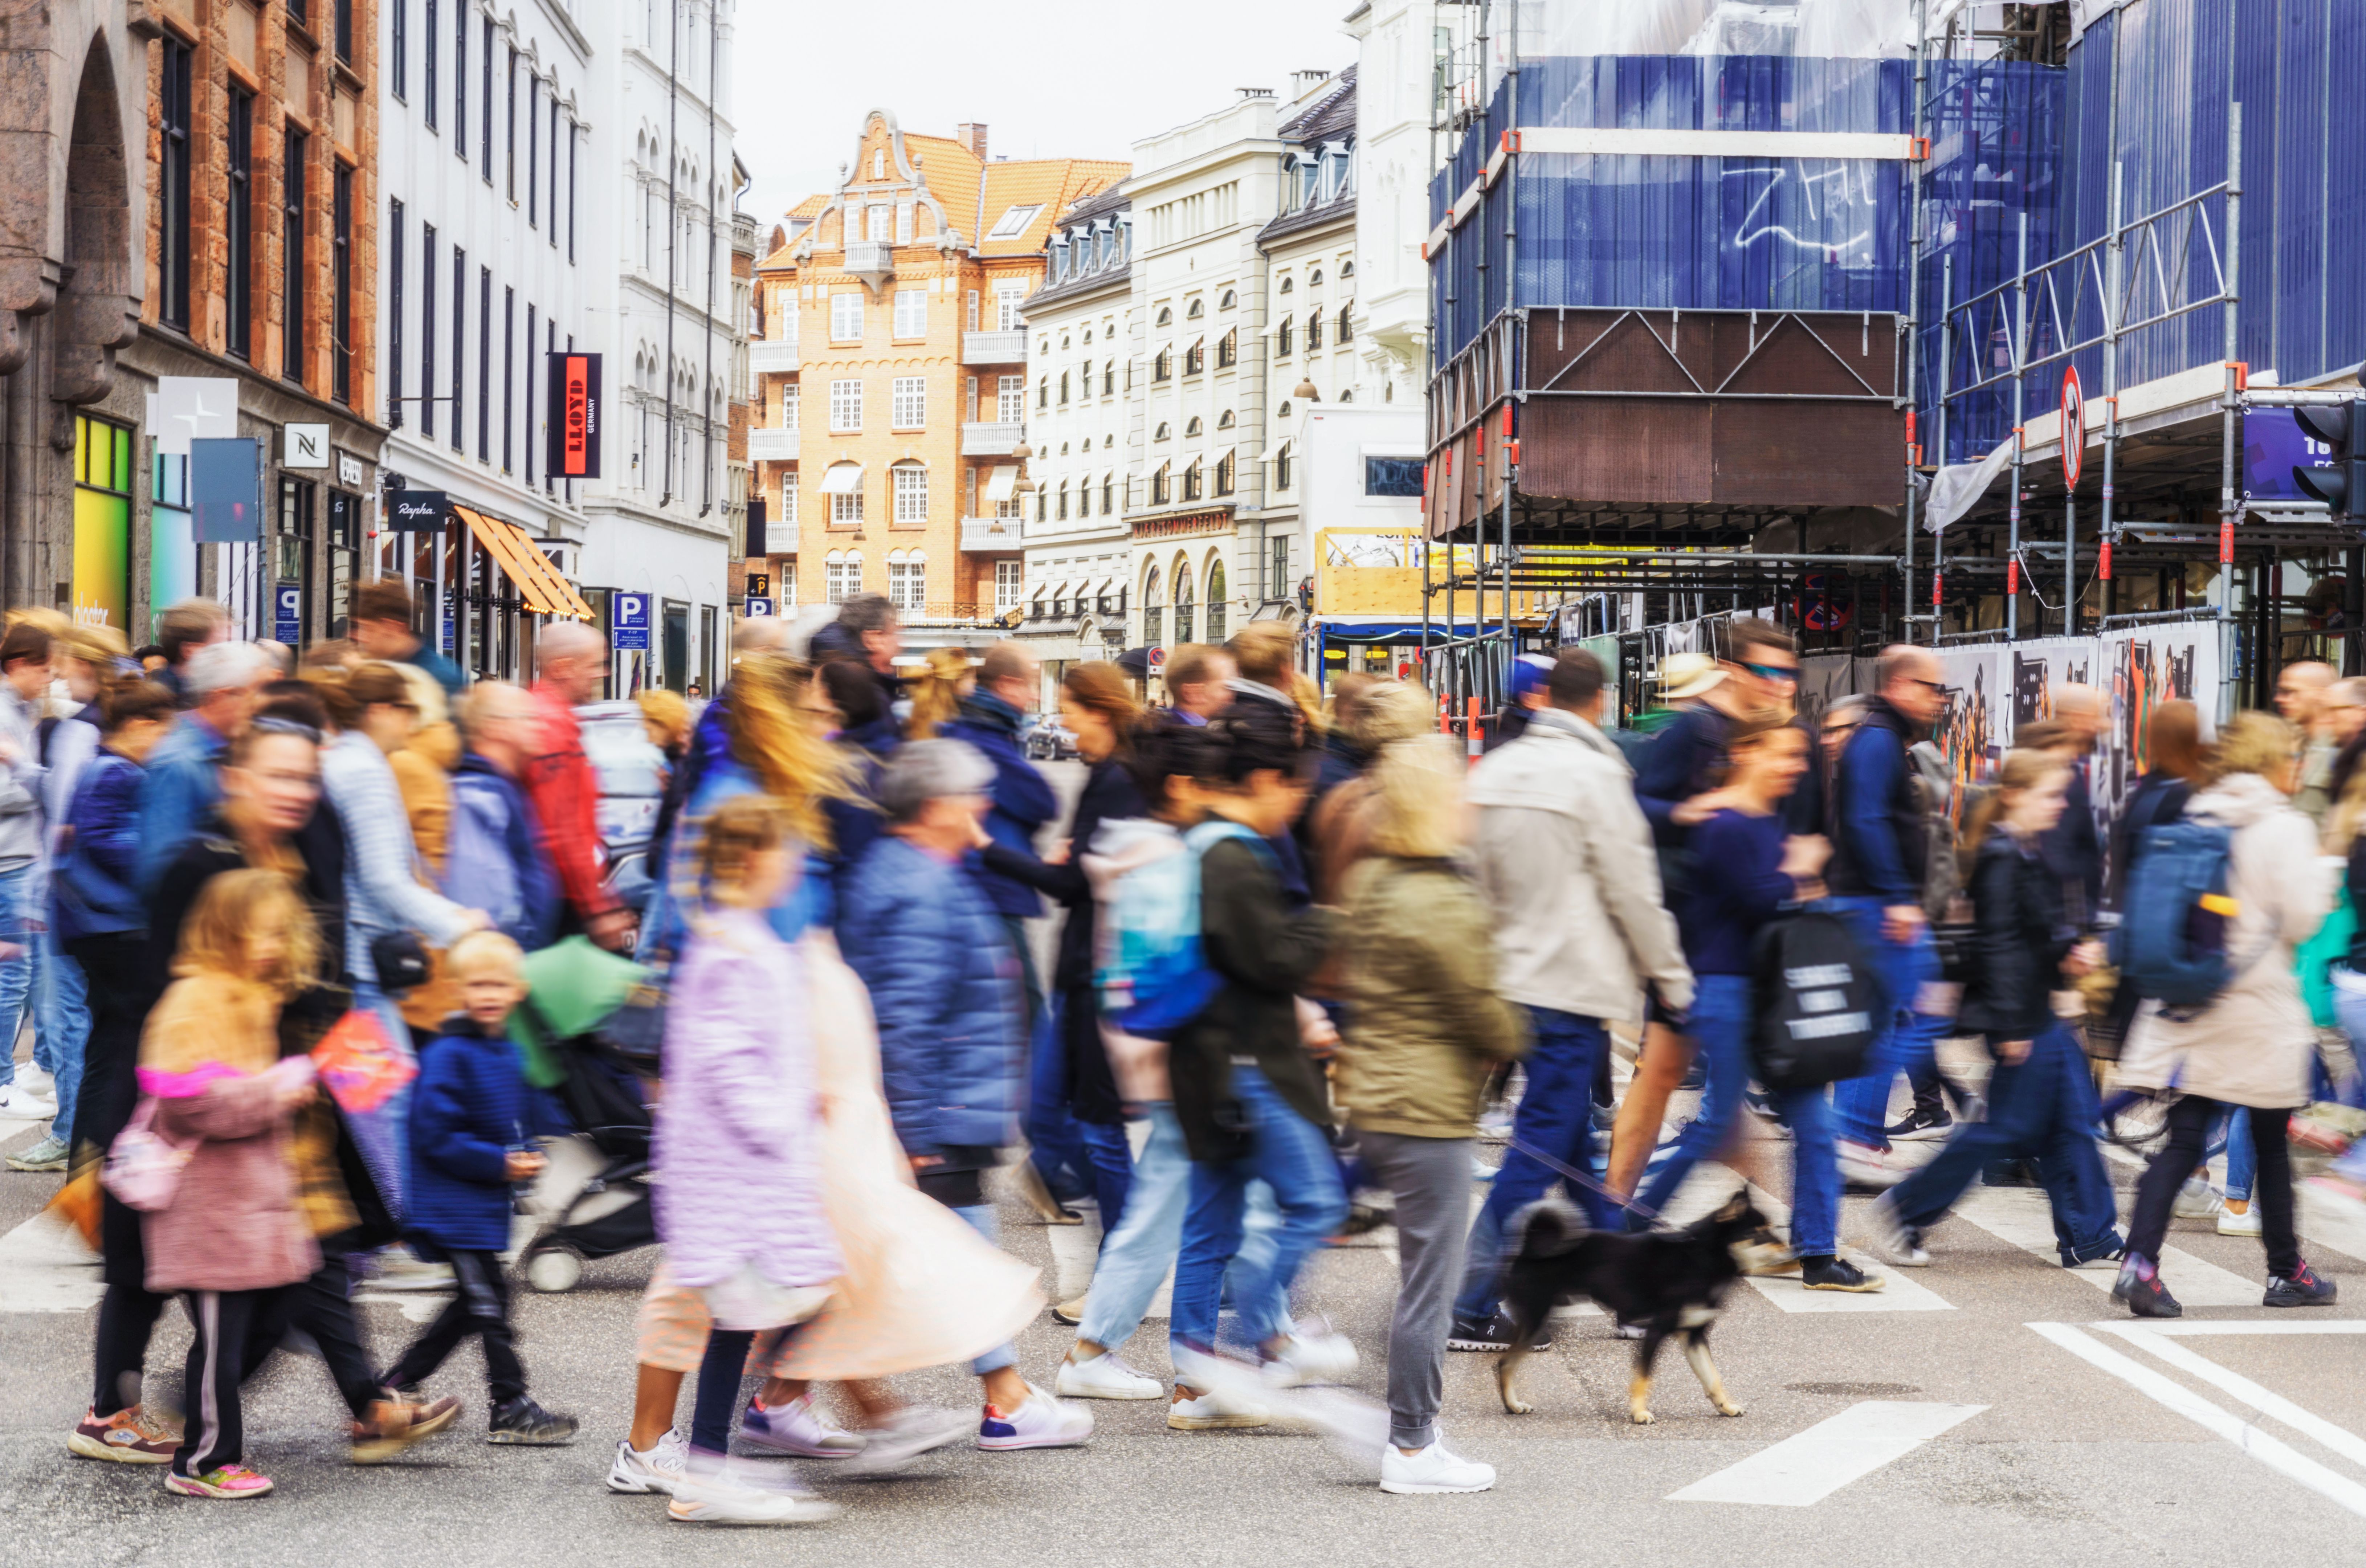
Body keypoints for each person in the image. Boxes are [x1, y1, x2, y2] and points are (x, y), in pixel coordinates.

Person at [839, 739, 1094, 1450]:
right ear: (935, 807)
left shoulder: (924, 871)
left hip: (949, 1107)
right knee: (953, 1269)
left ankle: (790, 1400)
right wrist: (915, 1134)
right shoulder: (915, 885)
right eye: (972, 794)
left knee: (907, 1268)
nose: (984, 806)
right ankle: (1003, 1399)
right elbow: (905, 1021)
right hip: (939, 1113)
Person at [1450, 648, 1694, 1348]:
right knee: (1537, 1155)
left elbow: (1472, 878)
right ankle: (1468, 1304)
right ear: (1600, 700)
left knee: (1573, 1154)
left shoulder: (1494, 770)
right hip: (1570, 987)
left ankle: (1628, 1292)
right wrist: (1671, 982)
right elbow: (1633, 892)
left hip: (1508, 983)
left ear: (1545, 697)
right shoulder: (1596, 776)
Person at [1335, 733, 1523, 1494]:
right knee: (1431, 1288)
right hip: (1424, 1109)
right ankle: (1412, 1446)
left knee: (1421, 1278)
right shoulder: (1441, 895)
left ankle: (1407, 1425)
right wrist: (1514, 1032)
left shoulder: (1376, 876)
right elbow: (1486, 1013)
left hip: (1379, 1095)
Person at [652, 796, 844, 1524]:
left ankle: (710, 1461)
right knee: (786, 1300)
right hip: (740, 1169)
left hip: (749, 1167)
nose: (795, 863)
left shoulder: (741, 939)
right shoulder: (733, 949)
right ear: (750, 860)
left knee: (750, 1316)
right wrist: (780, 1116)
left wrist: (798, 1100)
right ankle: (708, 1465)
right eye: (785, 850)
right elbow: (729, 1061)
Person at [1635, 718, 1880, 1289]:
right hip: (1725, 992)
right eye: (1784, 755)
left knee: (1815, 1126)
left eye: (1799, 757)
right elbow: (1758, 901)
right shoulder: (1723, 823)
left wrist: (1797, 875)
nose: (1796, 766)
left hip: (1769, 993)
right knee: (1717, 1125)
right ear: (1745, 753)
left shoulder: (1764, 821)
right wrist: (1800, 869)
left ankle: (1817, 1253)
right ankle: (1625, 1223)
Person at [2114, 712, 2341, 1316]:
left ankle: (2139, 1263)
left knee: (2186, 1134)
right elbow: (2300, 919)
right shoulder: (2281, 826)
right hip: (2254, 1005)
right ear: (2273, 762)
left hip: (2189, 997)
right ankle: (2285, 1271)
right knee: (2268, 1140)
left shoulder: (2199, 808)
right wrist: (2323, 873)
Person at [1867, 748, 2126, 1271]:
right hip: (2022, 1019)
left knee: (2069, 1123)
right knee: (2005, 1130)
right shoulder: (2003, 856)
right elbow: (2000, 945)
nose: (2059, 806)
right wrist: (2011, 1027)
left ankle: (2089, 1234)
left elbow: (2031, 937)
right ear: (2014, 796)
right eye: (2049, 795)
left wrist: (2070, 953)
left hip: (2037, 1012)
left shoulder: (2025, 851)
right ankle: (1905, 1208)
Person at [1164, 701, 1350, 1422]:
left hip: (1204, 1063)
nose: (1295, 807)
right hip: (1246, 1065)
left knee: (1209, 1228)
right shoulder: (1233, 857)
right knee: (1316, 1201)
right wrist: (1324, 923)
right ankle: (1262, 1341)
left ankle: (1195, 1379)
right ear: (1268, 778)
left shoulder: (1195, 840)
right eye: (1295, 791)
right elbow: (1268, 960)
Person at [135, 870, 330, 1498]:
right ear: (227, 931)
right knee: (221, 1341)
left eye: (282, 934)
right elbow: (187, 1102)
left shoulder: (245, 994)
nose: (274, 946)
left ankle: (204, 1440)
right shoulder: (196, 1000)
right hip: (211, 1209)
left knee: (252, 1326)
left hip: (245, 1206)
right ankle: (202, 1462)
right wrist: (273, 1092)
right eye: (263, 933)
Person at [1057, 723, 1220, 1400]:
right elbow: (1178, 966)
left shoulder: (1137, 850)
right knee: (1215, 1211)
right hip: (1186, 1056)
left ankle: (1106, 1354)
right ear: (1181, 787)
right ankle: (1207, 1371)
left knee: (1169, 1207)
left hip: (1160, 1056)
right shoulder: (1166, 859)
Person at [980, 664, 1147, 1269]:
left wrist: (984, 847)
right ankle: (1055, 1184)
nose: (1064, 723)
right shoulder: (1110, 776)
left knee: (1102, 1132)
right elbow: (1077, 876)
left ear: (1099, 712)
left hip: (1098, 972)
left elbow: (1071, 881)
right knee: (1055, 1107)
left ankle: (1119, 1268)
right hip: (1082, 970)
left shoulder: (1118, 781)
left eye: (1071, 710)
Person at [384, 929, 578, 1444]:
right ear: (457, 990)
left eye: (499, 984)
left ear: (517, 990)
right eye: (477, 985)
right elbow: (435, 1135)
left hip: (478, 1205)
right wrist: (499, 1163)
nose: (489, 995)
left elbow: (512, 1119)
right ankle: (509, 1403)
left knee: (473, 1305)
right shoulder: (449, 1054)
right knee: (490, 1305)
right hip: (451, 1205)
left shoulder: (505, 1051)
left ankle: (392, 1386)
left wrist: (527, 1151)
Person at [937, 641, 1074, 1207]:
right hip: (993, 893)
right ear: (1011, 686)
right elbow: (1038, 797)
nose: (1031, 695)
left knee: (999, 1025)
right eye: (1029, 684)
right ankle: (1048, 1161)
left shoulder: (964, 730)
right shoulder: (986, 737)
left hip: (980, 888)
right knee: (1031, 1030)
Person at [1825, 644, 1952, 1186]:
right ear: (1902, 686)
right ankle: (1853, 1134)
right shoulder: (1878, 740)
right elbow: (1868, 820)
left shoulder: (1881, 738)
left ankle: (1855, 1137)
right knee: (1927, 1013)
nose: (1937, 701)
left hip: (1874, 904)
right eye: (1932, 689)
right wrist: (1898, 895)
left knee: (1882, 1026)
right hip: (1879, 907)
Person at [524, 622, 633, 951]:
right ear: (563, 667)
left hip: (549, 891)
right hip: (556, 897)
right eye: (595, 665)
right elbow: (563, 830)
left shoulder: (543, 717)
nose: (602, 674)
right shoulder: (554, 728)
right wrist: (597, 906)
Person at [135, 641, 276, 893]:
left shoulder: (226, 748)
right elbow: (159, 872)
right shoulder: (178, 762)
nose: (265, 704)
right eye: (258, 691)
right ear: (223, 696)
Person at [442, 683, 562, 952]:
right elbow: (479, 887)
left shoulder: (503, 787)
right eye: (528, 718)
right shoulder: (477, 794)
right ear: (494, 728)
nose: (540, 727)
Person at [0, 621, 54, 1120]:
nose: (49, 678)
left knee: (23, 974)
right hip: (10, 859)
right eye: (43, 669)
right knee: (13, 977)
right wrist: (38, 783)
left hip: (20, 858)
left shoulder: (20, 709)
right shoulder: (3, 711)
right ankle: (1, 1079)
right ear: (18, 665)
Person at [2043, 683, 2108, 923]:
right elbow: (2057, 860)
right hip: (2060, 924)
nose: (2101, 726)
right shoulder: (2056, 775)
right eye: (2096, 717)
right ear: (2076, 720)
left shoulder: (2065, 767)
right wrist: (2074, 927)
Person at [349, 580, 466, 700]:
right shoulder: (383, 666)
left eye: (367, 629)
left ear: (392, 628)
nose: (358, 637)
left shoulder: (439, 680)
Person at [2277, 660, 2338, 826]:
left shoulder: (2343, 748)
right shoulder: (2289, 743)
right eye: (2281, 692)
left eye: (2290, 692)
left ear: (2320, 695)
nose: (2279, 699)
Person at [147, 598, 229, 706]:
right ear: (190, 651)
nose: (226, 657)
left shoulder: (195, 695)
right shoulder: (165, 705)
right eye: (217, 649)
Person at [903, 646, 972, 740]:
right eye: (970, 677)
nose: (974, 681)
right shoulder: (959, 726)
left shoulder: (908, 718)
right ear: (955, 684)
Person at [1163, 644, 1236, 725]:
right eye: (1225, 688)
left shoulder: (1162, 729)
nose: (1232, 696)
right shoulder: (1200, 735)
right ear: (1192, 693)